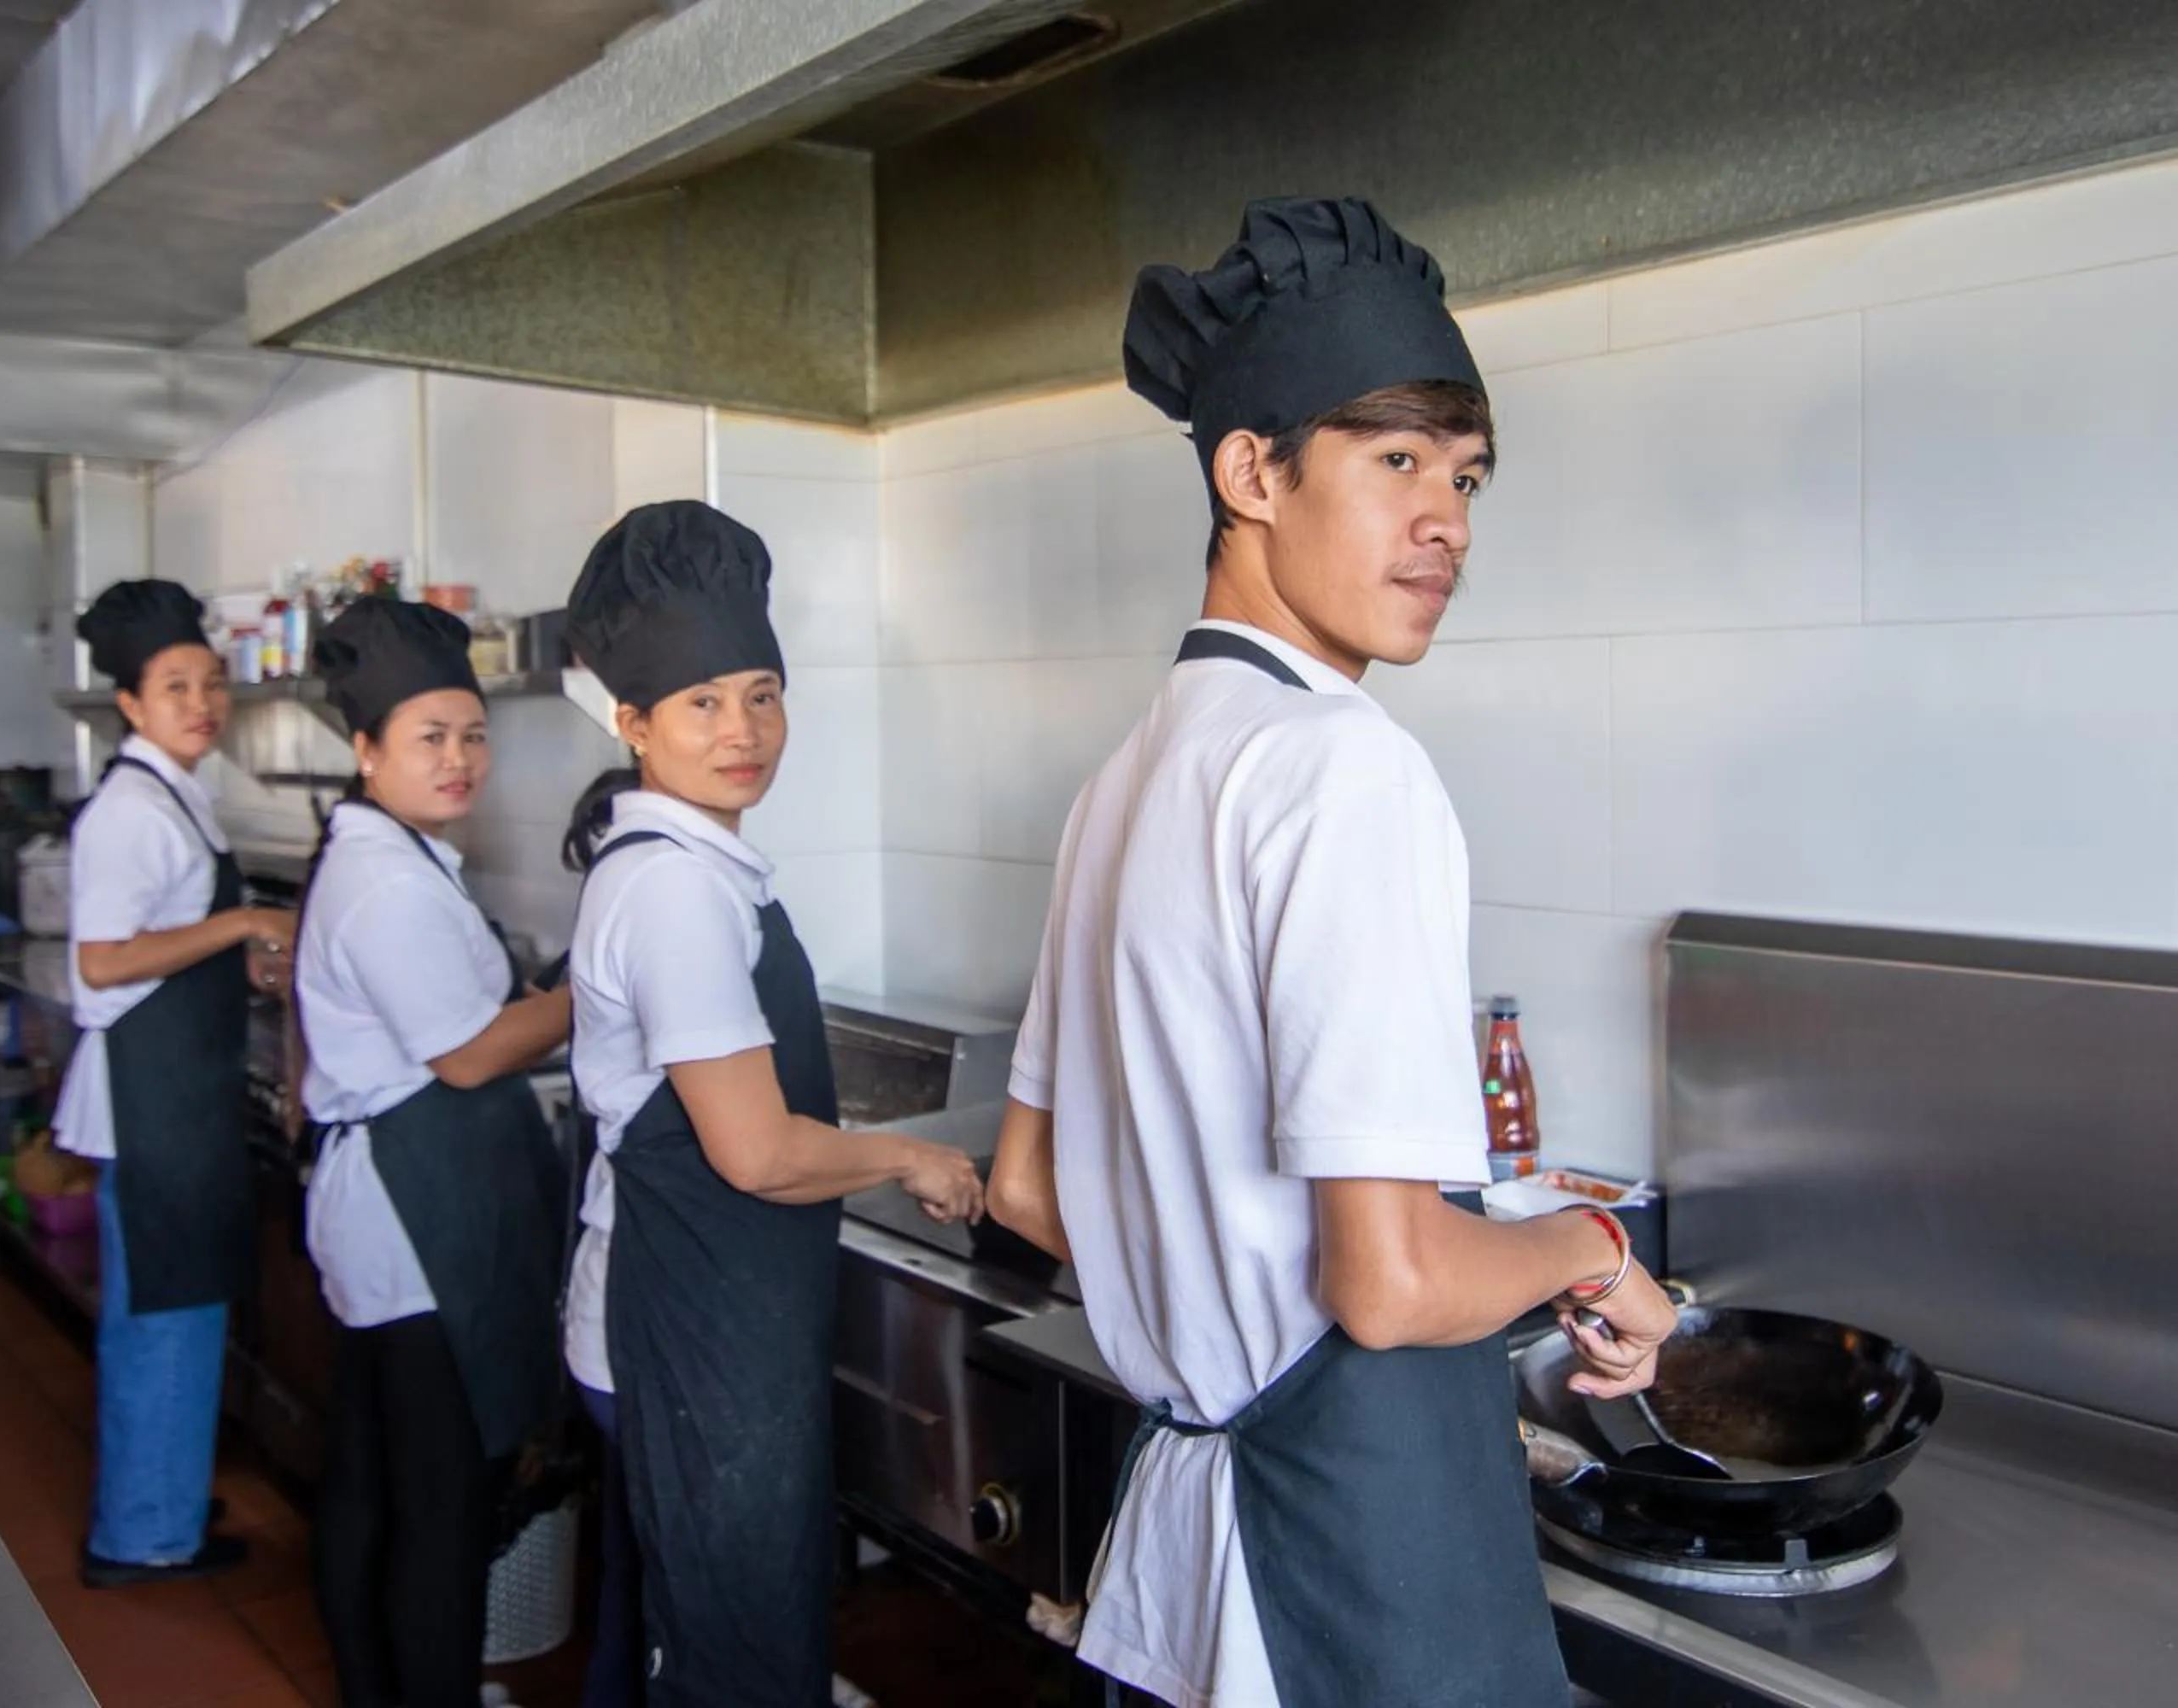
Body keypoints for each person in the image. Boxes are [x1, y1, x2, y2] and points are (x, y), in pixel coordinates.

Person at [986, 198, 1681, 1708]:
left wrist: (1215, 1293)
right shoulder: (1340, 766)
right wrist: (1599, 1253)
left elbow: (1027, 1191)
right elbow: (1390, 1283)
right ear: (1252, 473)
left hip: (1186, 1569)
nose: (1452, 522)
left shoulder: (1122, 783)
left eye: (1467, 474)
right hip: (1341, 1584)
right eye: (1397, 461)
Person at [558, 500, 985, 1708]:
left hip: (694, 1313)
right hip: (682, 1329)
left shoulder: (691, 866)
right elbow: (753, 1152)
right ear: (635, 722)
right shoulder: (674, 891)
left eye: (762, 695)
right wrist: (908, 1158)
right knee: (731, 1656)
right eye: (702, 703)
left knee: (668, 1621)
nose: (741, 730)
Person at [295, 596, 574, 1708]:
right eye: (430, 737)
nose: (459, 759)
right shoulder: (382, 880)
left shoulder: (397, 853)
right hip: (413, 1221)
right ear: (367, 749)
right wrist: (595, 985)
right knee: (442, 1501)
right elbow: (466, 1055)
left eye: (473, 734)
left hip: (399, 1207)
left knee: (375, 1473)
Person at [57, 577, 296, 1588]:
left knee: (181, 1304)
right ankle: (141, 1536)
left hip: (175, 1089)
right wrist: (243, 924)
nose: (202, 703)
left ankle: (158, 1495)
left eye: (211, 683)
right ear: (130, 702)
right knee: (164, 1313)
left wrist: (237, 962)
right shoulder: (128, 811)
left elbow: (164, 940)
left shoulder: (174, 792)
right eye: (175, 686)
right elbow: (103, 961)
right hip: (148, 1096)